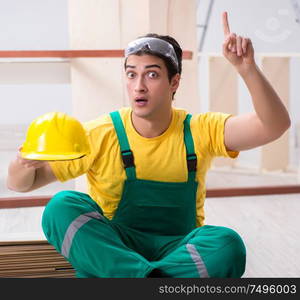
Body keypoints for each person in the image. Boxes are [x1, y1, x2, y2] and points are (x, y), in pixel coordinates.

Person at [6, 12, 290, 278]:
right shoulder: (102, 133)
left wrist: (248, 68)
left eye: (152, 74)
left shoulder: (200, 130)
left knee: (227, 244)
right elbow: (23, 184)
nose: (139, 85)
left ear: (174, 82)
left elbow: (274, 125)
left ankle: (131, 280)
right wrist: (22, 163)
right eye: (131, 74)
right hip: (114, 246)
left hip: (178, 250)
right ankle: (154, 281)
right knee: (61, 206)